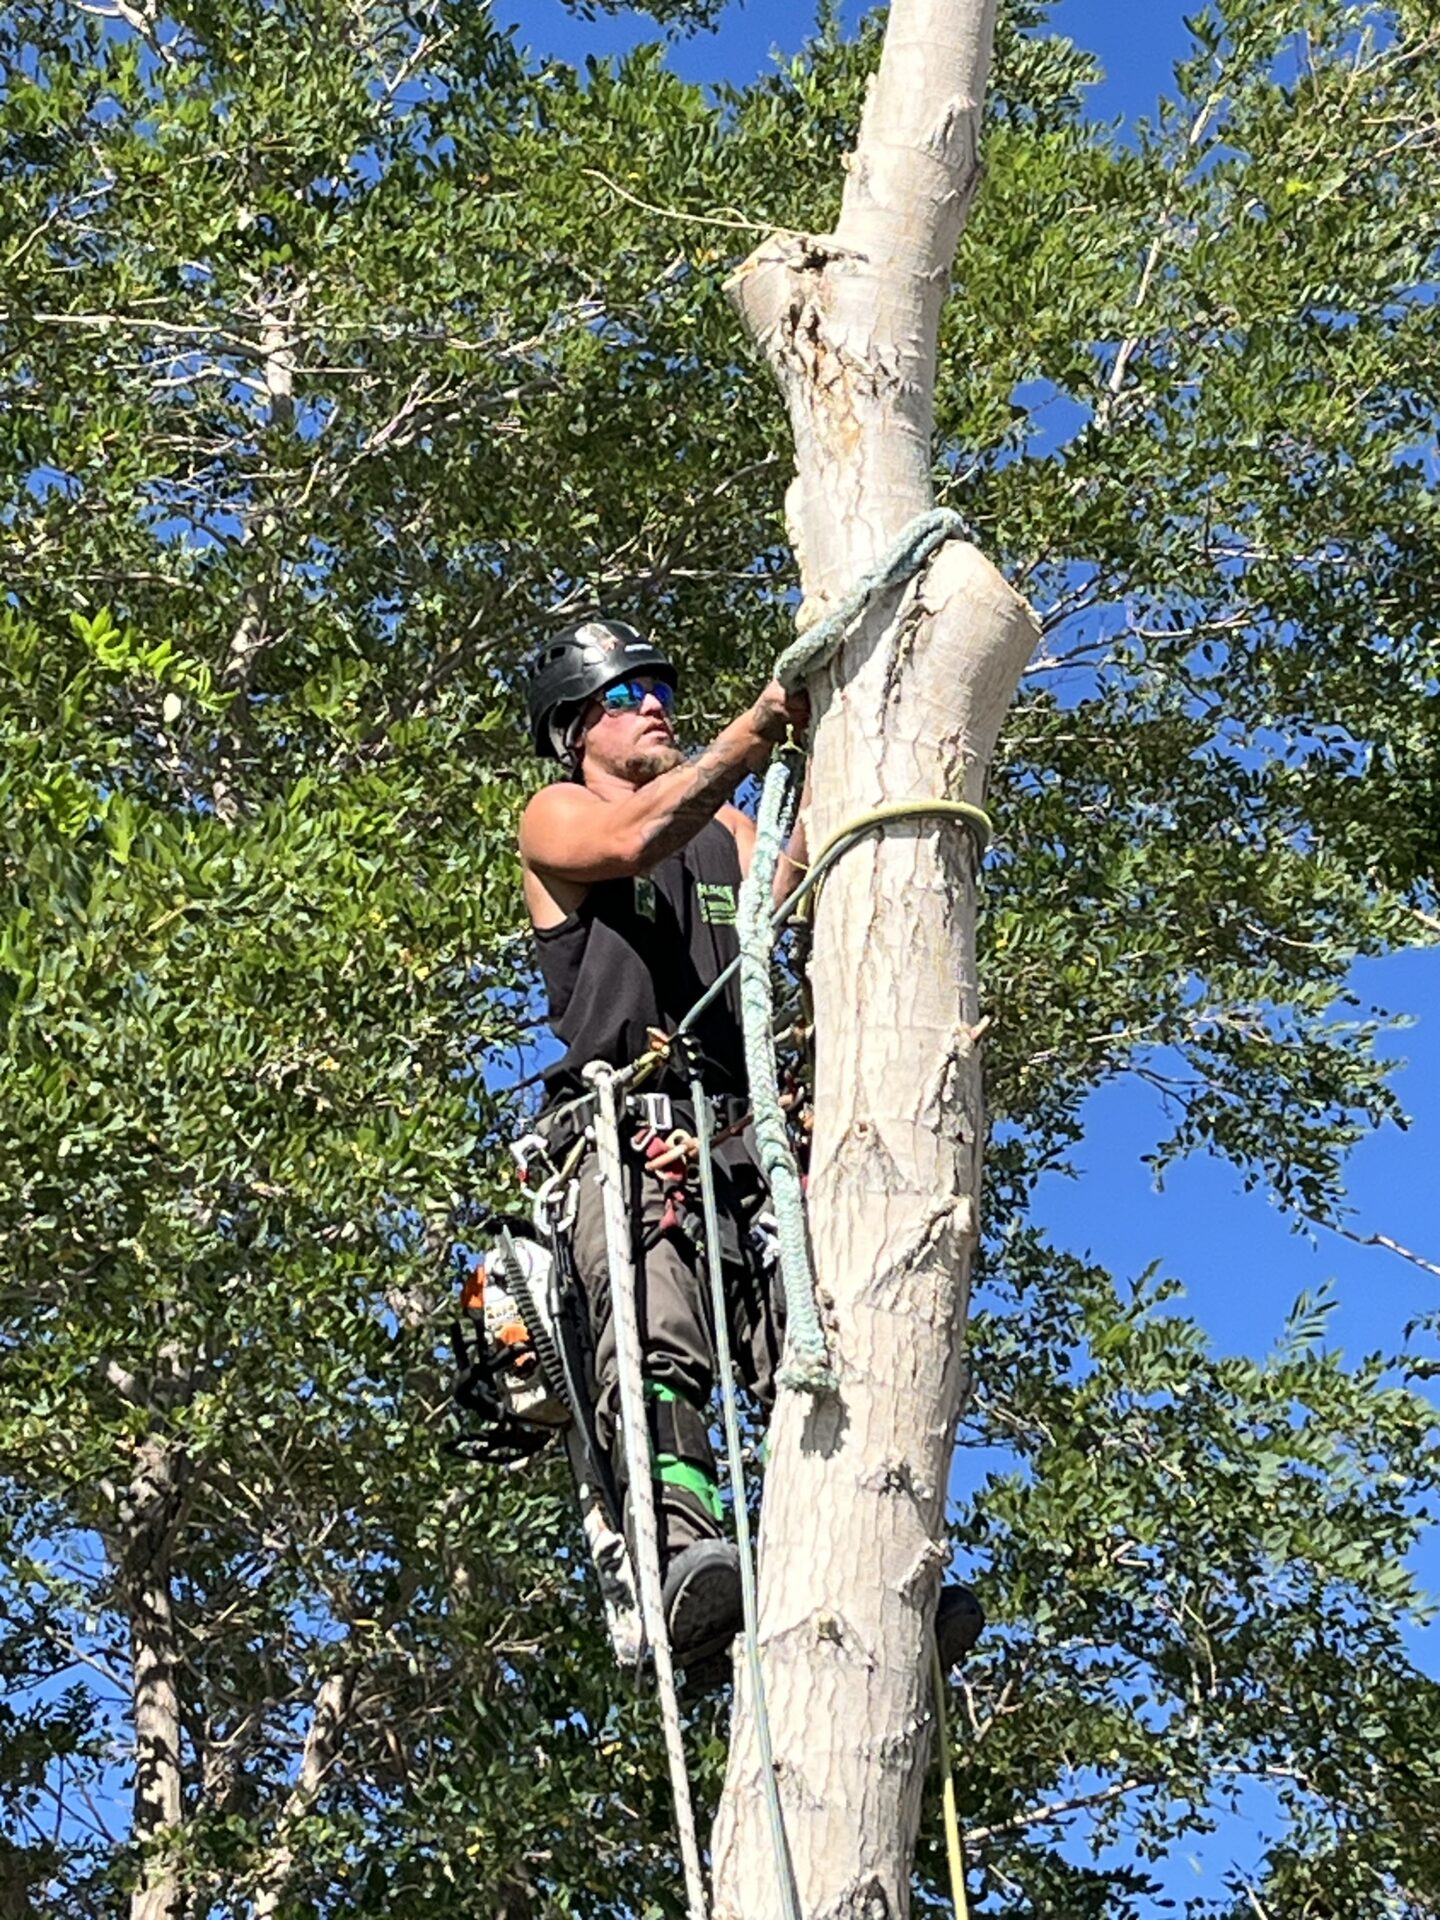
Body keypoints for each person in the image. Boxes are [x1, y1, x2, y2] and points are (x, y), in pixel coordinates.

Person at [519, 617, 983, 1675]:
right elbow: (636, 843)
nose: (656, 708)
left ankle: (876, 1570)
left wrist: (849, 709)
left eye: (659, 690)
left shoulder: (730, 828)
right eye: (629, 696)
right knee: (662, 1335)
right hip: (634, 1137)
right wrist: (755, 727)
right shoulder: (557, 816)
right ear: (575, 727)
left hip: (749, 1138)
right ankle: (684, 1555)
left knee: (829, 1350)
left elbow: (803, 871)